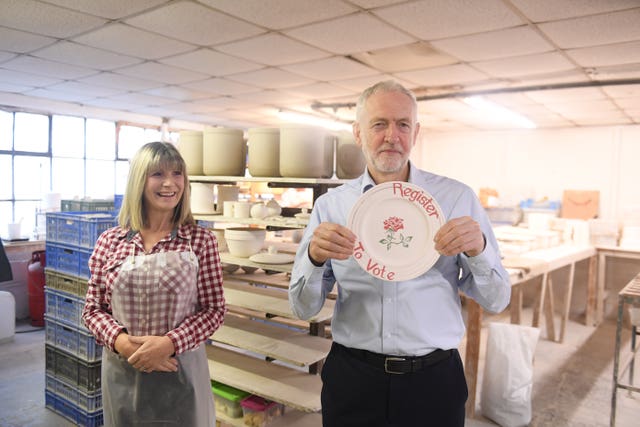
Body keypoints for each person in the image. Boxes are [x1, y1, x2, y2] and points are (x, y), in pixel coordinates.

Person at [289, 80, 511, 427]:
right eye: (379, 124)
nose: (392, 136)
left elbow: (497, 300)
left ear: (415, 132)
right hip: (354, 380)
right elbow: (303, 307)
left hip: (434, 381)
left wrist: (479, 249)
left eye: (403, 124)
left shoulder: (456, 199)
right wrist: (315, 260)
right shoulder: (332, 206)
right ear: (358, 133)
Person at [82, 141, 226, 426]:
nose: (170, 183)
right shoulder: (110, 241)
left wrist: (169, 343)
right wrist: (122, 343)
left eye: (177, 174)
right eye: (157, 174)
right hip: (124, 372)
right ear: (139, 180)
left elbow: (214, 310)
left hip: (180, 372)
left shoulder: (200, 241)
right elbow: (92, 310)